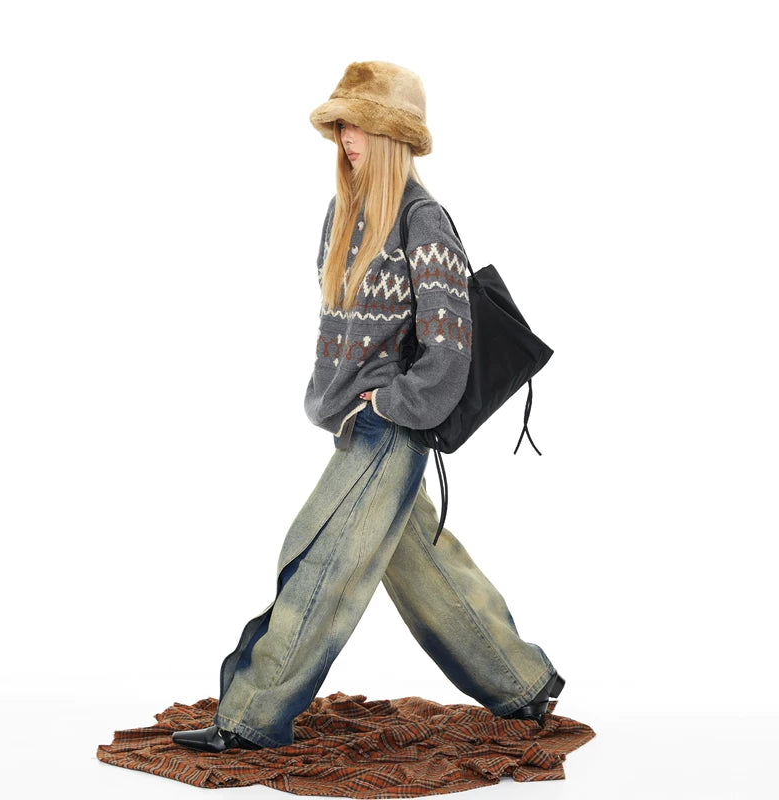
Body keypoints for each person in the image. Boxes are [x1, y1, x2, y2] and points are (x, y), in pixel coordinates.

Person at [172, 61, 564, 754]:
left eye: (359, 124)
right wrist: (340, 402)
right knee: (426, 567)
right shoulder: (344, 214)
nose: (346, 136)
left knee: (321, 562)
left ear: (392, 135)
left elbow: (449, 350)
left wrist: (389, 401)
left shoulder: (424, 220)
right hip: (355, 422)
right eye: (341, 123)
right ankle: (523, 682)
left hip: (390, 426)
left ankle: (252, 716)